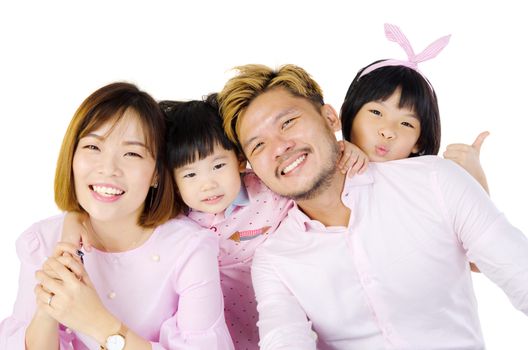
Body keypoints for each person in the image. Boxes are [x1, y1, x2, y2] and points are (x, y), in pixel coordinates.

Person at [216, 59, 528, 349]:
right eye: (258, 144)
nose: (280, 146)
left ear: (329, 117)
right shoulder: (274, 260)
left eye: (288, 122)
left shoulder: (435, 181)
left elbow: (518, 269)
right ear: (251, 167)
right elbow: (283, 338)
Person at [59, 94, 367, 350]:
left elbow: (311, 177)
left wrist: (344, 149)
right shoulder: (176, 212)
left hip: (296, 318)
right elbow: (111, 208)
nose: (208, 185)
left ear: (239, 160)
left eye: (218, 166)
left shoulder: (267, 188)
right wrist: (74, 221)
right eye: (190, 174)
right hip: (222, 331)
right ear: (170, 178)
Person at [0, 82, 234, 349]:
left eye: (131, 153)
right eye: (93, 147)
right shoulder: (43, 241)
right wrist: (47, 309)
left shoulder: (189, 248)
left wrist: (98, 323)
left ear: (157, 173)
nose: (108, 169)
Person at [341, 23, 490, 193]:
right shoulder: (329, 164)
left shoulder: (428, 185)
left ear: (418, 142)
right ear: (350, 113)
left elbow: (478, 219)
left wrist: (474, 180)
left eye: (406, 123)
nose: (388, 131)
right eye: (376, 112)